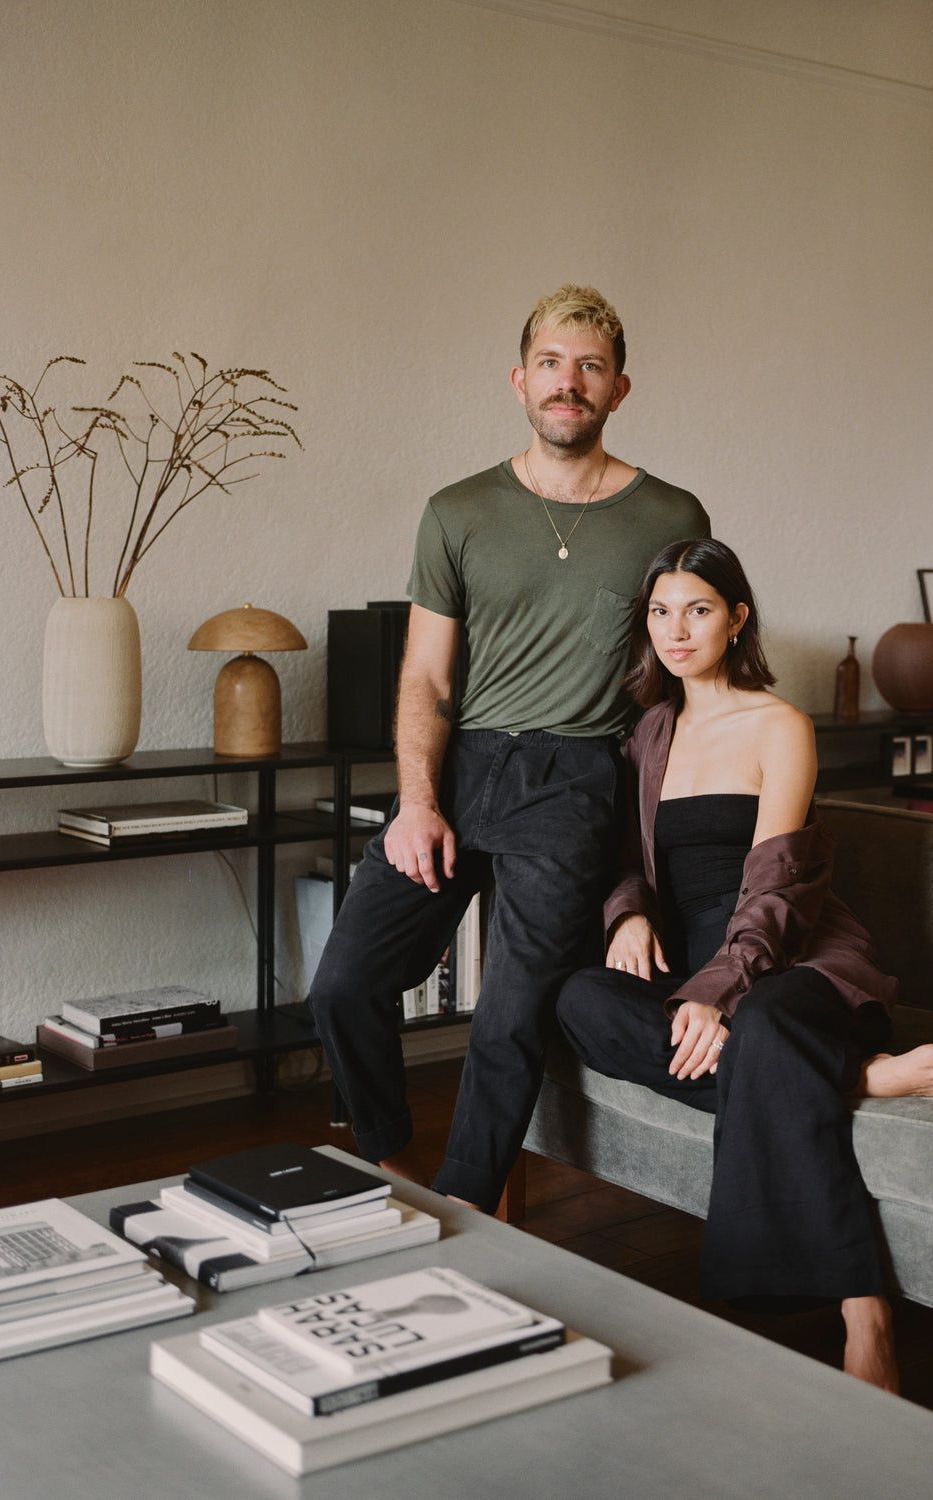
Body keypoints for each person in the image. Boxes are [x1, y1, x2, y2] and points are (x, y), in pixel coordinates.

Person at [309, 285, 711, 1214]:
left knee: (509, 1018)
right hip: (461, 770)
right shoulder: (456, 511)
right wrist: (416, 802)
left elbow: (691, 654)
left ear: (619, 390)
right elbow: (427, 678)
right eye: (551, 363)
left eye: (590, 367)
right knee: (345, 983)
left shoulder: (670, 514)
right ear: (518, 379)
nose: (568, 383)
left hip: (576, 779)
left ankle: (460, 1217)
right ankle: (392, 1169)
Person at [556, 538, 933, 1391]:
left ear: (736, 618)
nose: (677, 630)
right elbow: (625, 856)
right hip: (693, 976)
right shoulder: (650, 732)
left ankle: (866, 1312)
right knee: (579, 1000)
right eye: (661, 612)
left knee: (772, 1023)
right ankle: (854, 1078)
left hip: (792, 958)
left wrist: (715, 994)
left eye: (698, 610)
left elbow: (778, 887)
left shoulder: (780, 724)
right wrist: (628, 912)